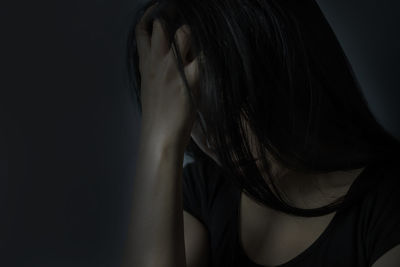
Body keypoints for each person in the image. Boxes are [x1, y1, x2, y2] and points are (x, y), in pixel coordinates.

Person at [122, 0, 400, 266]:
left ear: (285, 63)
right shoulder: (203, 193)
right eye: (190, 112)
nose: (216, 140)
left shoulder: (386, 203)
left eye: (229, 100)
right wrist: (160, 141)